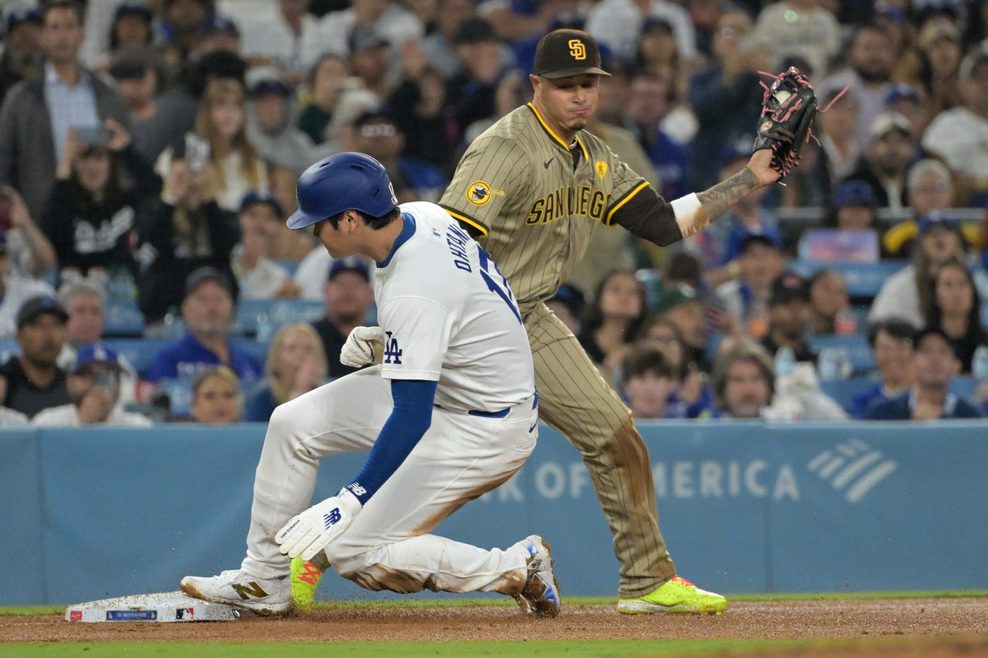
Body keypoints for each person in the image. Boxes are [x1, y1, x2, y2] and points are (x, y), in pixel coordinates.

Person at [435, 28, 789, 614]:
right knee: (408, 448)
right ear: (536, 87)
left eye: (588, 85)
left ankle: (647, 580)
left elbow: (662, 222)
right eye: (565, 85)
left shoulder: (595, 155)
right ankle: (303, 553)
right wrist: (413, 332)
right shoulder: (504, 147)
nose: (579, 96)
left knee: (612, 431)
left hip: (526, 315)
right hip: (467, 315)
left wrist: (749, 177)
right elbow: (447, 241)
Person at [180, 152, 559, 618]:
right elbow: (462, 307)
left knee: (356, 552)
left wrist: (351, 498)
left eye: (320, 223)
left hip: (486, 427)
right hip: (457, 389)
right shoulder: (424, 214)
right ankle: (264, 579)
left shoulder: (414, 290)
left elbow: (411, 414)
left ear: (351, 220)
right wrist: (392, 343)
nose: (314, 233)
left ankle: (517, 566)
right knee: (292, 423)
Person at [0, 0, 130, 219]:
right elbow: (4, 163)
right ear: (42, 37)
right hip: (41, 219)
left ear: (81, 35)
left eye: (69, 27)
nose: (62, 36)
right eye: (54, 28)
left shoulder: (107, 95)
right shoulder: (21, 99)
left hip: (102, 219)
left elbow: (125, 156)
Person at [42, 117, 159, 282]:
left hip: (123, 293)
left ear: (111, 162)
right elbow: (50, 231)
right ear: (74, 165)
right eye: (84, 158)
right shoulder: (65, 204)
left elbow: (155, 188)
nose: (92, 167)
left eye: (99, 158)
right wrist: (64, 167)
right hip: (77, 292)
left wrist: (126, 150)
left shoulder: (126, 200)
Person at [146, 266, 262, 385]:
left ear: (232, 308)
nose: (212, 307)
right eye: (203, 299)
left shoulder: (249, 361)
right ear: (185, 308)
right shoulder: (169, 360)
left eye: (218, 299)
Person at [866, 327, 981, 420]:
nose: (934, 359)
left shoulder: (971, 416)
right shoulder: (882, 413)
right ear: (912, 361)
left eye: (942, 351)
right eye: (925, 350)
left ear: (955, 365)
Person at [31, 342, 150, 426]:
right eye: (93, 377)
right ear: (71, 382)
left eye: (109, 377)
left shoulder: (137, 426)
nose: (100, 387)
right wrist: (84, 424)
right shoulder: (49, 423)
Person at [0, 296, 71, 418]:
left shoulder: (71, 384)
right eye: (36, 325)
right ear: (18, 336)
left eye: (56, 324)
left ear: (66, 335)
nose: (48, 334)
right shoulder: (4, 381)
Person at [244, 323, 327, 422]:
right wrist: (299, 392)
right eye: (292, 348)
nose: (301, 355)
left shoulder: (329, 397)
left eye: (308, 349)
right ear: (276, 360)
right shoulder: (261, 400)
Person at [577, 269, 649, 383]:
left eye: (633, 292)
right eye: (615, 289)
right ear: (599, 298)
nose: (624, 297)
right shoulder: (578, 344)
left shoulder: (644, 347)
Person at [311, 256, 376, 379]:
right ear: (326, 291)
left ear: (370, 293)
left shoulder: (381, 341)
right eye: (340, 284)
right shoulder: (309, 338)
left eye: (356, 284)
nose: (348, 291)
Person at [924, 259, 987, 374]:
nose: (956, 292)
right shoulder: (923, 342)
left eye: (962, 284)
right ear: (935, 295)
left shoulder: (985, 341)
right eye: (948, 285)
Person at [852, 318, 916, 419]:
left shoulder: (928, 397)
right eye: (885, 348)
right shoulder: (865, 401)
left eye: (901, 347)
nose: (894, 355)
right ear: (874, 353)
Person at [619, 344, 676, 419]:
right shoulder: (610, 429)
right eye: (641, 378)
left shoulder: (686, 425)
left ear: (671, 384)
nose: (650, 387)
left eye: (657, 378)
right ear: (625, 386)